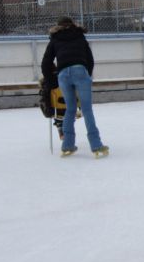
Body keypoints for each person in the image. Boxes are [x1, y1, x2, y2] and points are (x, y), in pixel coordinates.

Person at [40, 16, 108, 158]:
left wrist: (52, 82)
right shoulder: (79, 36)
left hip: (63, 75)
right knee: (86, 109)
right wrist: (87, 75)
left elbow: (46, 63)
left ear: (58, 26)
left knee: (70, 110)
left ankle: (67, 145)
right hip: (80, 70)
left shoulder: (55, 39)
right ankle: (96, 145)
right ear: (72, 24)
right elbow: (90, 59)